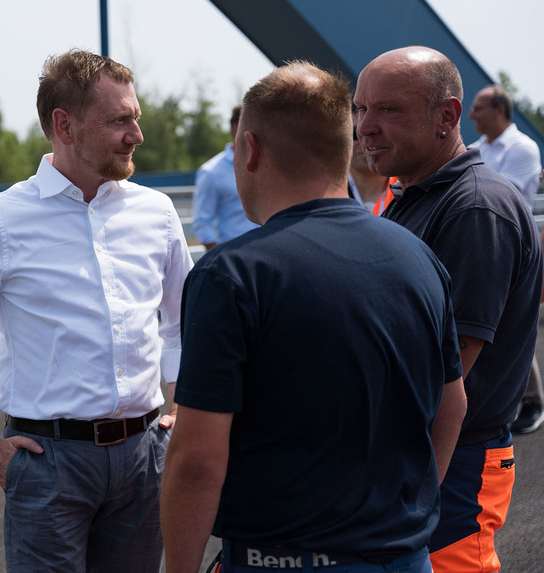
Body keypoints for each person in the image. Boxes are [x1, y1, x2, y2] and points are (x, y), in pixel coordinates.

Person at [161, 61, 466, 573]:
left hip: (281, 559)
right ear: (343, 148)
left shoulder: (230, 276)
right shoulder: (418, 257)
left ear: (249, 150)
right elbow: (452, 404)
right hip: (404, 556)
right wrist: (403, 520)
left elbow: (196, 460)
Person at [0, 49, 192, 572]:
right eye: (119, 120)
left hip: (145, 457)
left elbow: (182, 324)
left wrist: (179, 408)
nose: (137, 135)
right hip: (49, 466)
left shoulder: (157, 213)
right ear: (64, 125)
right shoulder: (2, 222)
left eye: (136, 118)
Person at [355, 46, 543, 573]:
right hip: (412, 452)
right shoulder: (413, 193)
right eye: (361, 108)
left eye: (388, 110)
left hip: (451, 461)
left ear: (447, 116)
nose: (364, 127)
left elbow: (445, 367)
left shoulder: (475, 207)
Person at [468, 84, 544, 434]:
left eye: (478, 107)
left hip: (512, 247)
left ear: (499, 110)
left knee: (509, 323)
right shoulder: (477, 148)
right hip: (478, 244)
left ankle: (533, 401)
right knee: (485, 322)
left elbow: (497, 194)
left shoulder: (522, 148)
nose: (471, 115)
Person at [191, 104, 258, 249]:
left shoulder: (266, 166)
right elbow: (202, 222)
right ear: (236, 128)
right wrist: (222, 259)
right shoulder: (211, 172)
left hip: (267, 254)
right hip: (236, 255)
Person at [348, 106, 397, 215]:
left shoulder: (406, 188)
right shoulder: (327, 191)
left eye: (374, 133)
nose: (364, 142)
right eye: (355, 134)